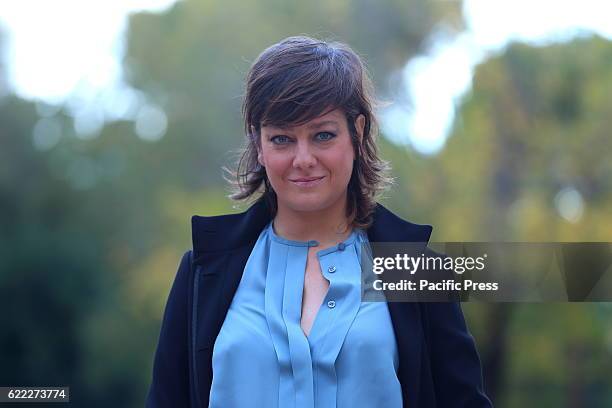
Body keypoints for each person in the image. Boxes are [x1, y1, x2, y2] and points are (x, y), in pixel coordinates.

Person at [146, 36, 493, 408]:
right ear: (259, 145)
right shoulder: (202, 270)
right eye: (282, 139)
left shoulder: (417, 269)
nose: (303, 158)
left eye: (323, 135)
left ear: (357, 134)